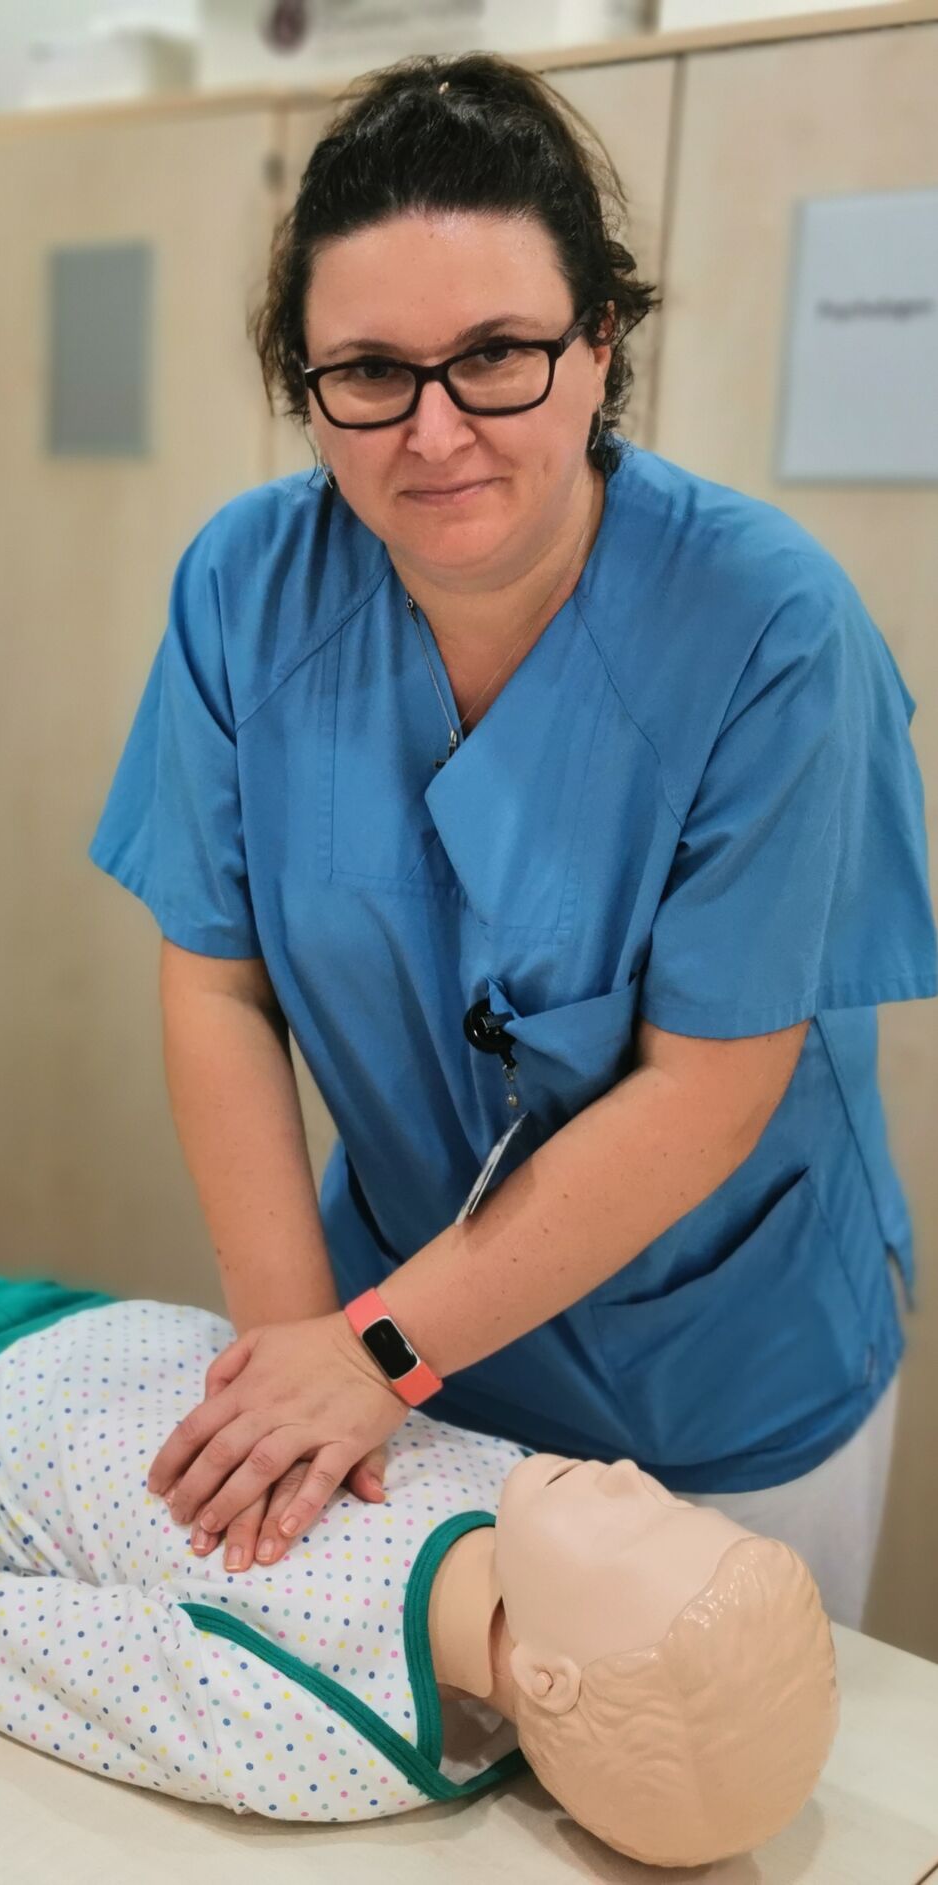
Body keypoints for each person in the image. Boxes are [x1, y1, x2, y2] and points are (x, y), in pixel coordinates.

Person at [86, 51, 937, 1622]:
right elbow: (216, 982)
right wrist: (300, 1352)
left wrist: (373, 1356)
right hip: (389, 1343)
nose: (435, 432)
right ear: (306, 384)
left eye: (497, 356)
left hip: (715, 1380)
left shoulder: (769, 632)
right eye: (368, 372)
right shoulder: (242, 592)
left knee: (698, 1817)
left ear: (600, 344)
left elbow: (703, 1092)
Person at [0, 1136, 838, 1864]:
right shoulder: (527, 1492)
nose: (625, 1478)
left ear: (552, 1682)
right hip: (117, 1343)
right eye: (673, 1502)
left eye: (637, 1528)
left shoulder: (331, 1726)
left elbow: (53, 1668)